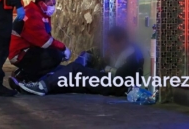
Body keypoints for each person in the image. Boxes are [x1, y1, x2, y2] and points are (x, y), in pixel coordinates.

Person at [16, 26, 144, 97]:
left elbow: (121, 76)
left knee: (74, 68)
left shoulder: (133, 53)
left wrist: (106, 69)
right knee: (72, 82)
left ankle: (42, 86)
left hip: (114, 85)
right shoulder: (121, 51)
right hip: (107, 81)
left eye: (112, 43)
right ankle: (37, 88)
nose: (110, 46)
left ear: (121, 40)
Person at [8, 0, 71, 85]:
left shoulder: (40, 14)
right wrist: (62, 48)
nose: (53, 7)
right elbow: (44, 41)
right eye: (51, 4)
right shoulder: (32, 15)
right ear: (41, 3)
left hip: (25, 50)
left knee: (54, 53)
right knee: (54, 56)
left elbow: (45, 37)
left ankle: (25, 73)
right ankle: (25, 77)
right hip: (19, 54)